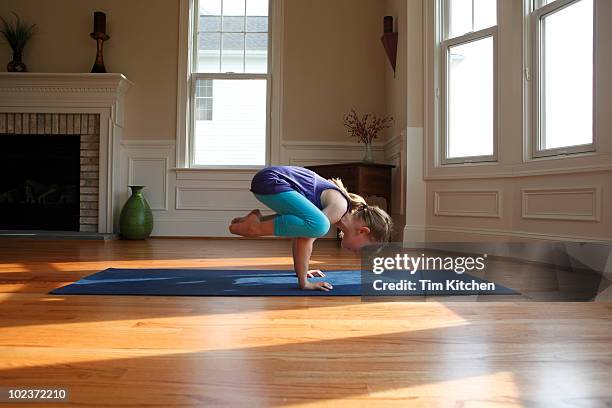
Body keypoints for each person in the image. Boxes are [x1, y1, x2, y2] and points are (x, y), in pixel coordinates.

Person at [229, 166, 393, 291]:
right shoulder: (340, 207)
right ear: (363, 231)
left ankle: (256, 220)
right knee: (319, 226)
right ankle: (255, 226)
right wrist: (304, 283)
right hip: (272, 181)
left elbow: (301, 235)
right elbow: (305, 239)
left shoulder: (338, 212)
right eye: (361, 249)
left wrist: (303, 270)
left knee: (313, 226)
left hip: (269, 182)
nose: (356, 252)